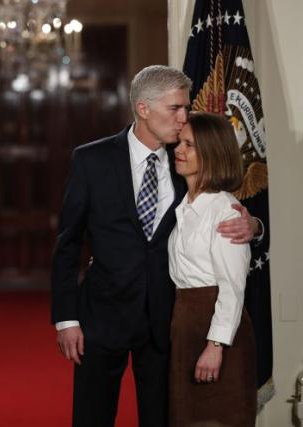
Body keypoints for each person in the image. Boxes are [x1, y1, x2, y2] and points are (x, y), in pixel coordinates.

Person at [50, 65, 260, 427]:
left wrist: (254, 226)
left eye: (186, 108)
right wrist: (66, 320)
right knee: (91, 417)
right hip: (102, 315)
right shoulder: (91, 159)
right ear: (143, 109)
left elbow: (222, 209)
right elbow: (67, 245)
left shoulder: (190, 162)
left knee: (164, 418)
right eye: (175, 108)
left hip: (167, 323)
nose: (184, 118)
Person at [168, 112, 256, 426]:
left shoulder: (224, 209)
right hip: (186, 323)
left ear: (211, 152)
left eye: (189, 145)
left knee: (218, 419)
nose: (178, 149)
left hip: (216, 327)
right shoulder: (185, 206)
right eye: (180, 141)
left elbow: (232, 287)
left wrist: (215, 345)